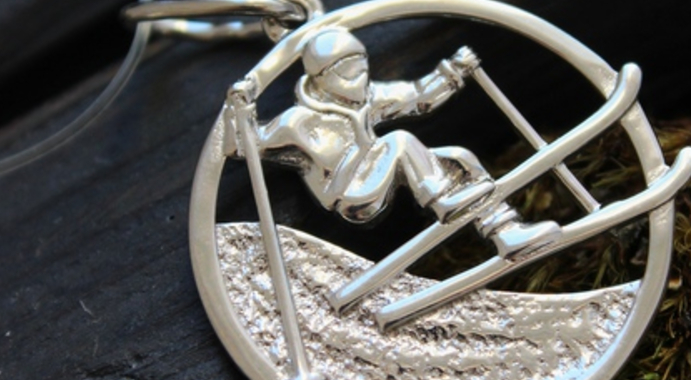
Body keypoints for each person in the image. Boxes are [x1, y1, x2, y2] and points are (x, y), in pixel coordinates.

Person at [235, 27, 560, 259]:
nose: (359, 79)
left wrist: (452, 72)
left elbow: (417, 96)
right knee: (400, 142)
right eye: (348, 72)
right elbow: (246, 145)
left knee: (458, 158)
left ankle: (507, 232)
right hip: (349, 194)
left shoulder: (370, 95)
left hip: (380, 171)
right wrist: (241, 111)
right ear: (323, 77)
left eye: (362, 68)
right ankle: (444, 203)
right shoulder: (296, 122)